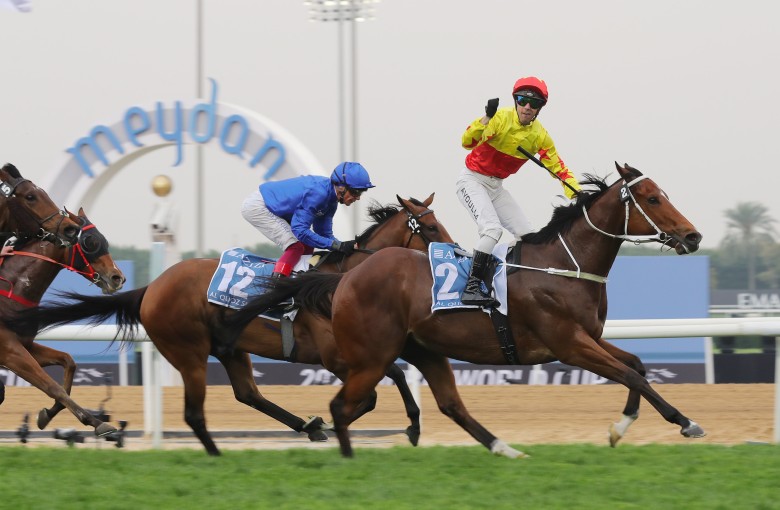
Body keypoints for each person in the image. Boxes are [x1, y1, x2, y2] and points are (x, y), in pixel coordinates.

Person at [456, 76, 581, 306]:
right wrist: (486, 118)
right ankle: (471, 287)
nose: (527, 107)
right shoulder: (499, 118)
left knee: (528, 235)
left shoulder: (540, 136)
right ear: (515, 101)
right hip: (472, 181)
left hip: (496, 187)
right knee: (492, 230)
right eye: (523, 100)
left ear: (540, 108)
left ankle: (506, 278)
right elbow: (467, 142)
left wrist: (578, 194)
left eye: (534, 103)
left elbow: (558, 168)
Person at [241, 161, 375, 278]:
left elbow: (324, 234)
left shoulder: (331, 201)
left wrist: (343, 246)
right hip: (259, 206)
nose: (358, 198)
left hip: (277, 208)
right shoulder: (319, 194)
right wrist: (338, 246)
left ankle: (299, 280)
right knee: (295, 246)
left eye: (361, 192)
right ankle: (276, 288)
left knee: (308, 245)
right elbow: (300, 231)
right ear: (341, 187)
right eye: (355, 192)